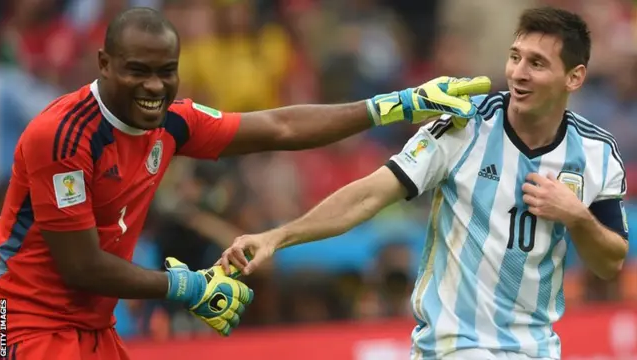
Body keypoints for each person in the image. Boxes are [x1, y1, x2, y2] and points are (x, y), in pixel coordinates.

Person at [0, 6, 491, 360]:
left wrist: (396, 104)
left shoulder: (172, 121)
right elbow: (81, 266)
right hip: (27, 320)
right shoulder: (62, 136)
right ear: (104, 65)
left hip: (94, 326)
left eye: (166, 72)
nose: (154, 86)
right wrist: (186, 287)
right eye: (137, 71)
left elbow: (280, 127)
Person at [220, 6, 630, 360]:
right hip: (452, 346)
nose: (518, 74)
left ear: (574, 78)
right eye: (515, 57)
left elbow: (610, 262)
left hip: (537, 349)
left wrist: (576, 217)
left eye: (537, 64)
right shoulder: (462, 125)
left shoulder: (596, 153)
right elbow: (368, 195)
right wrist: (278, 236)